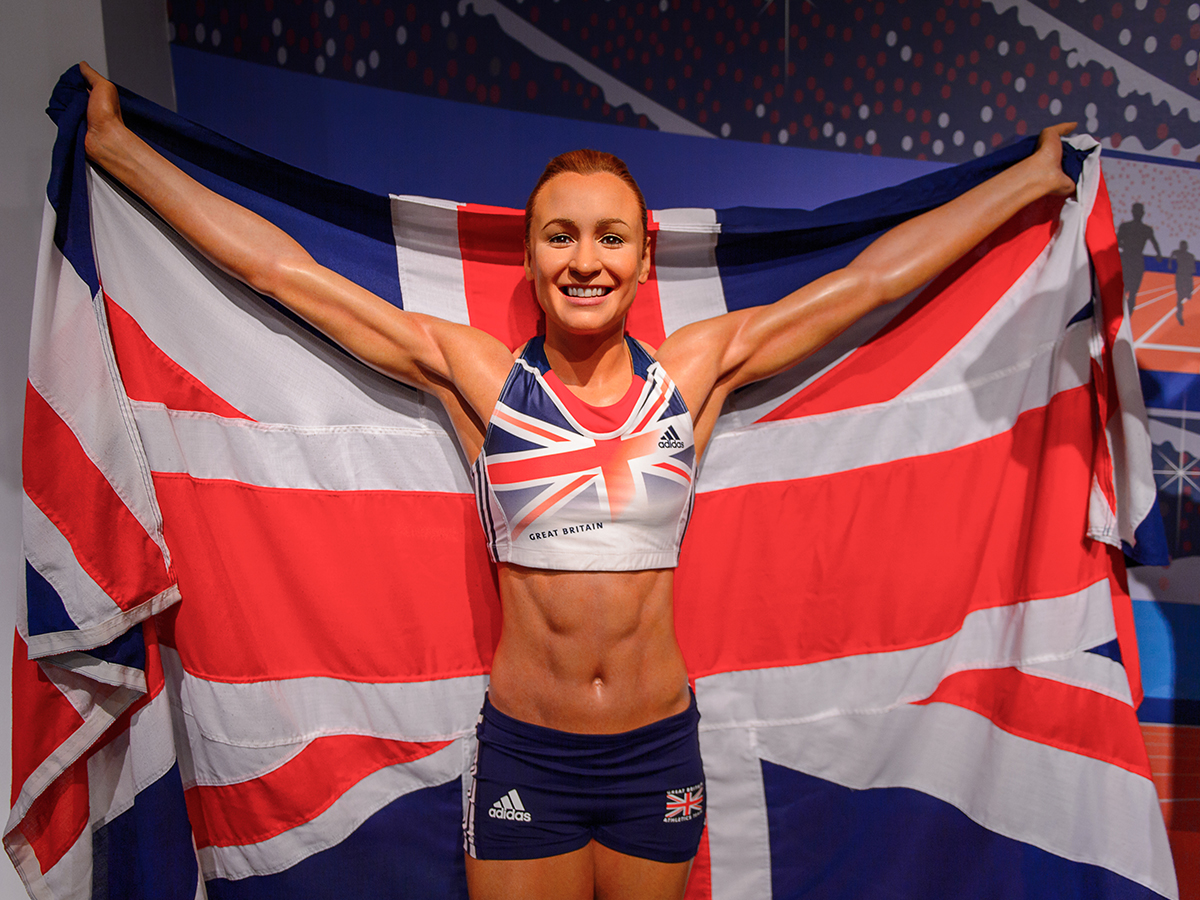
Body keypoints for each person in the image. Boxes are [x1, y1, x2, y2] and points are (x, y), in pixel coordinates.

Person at [77, 61, 1076, 900]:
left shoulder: (693, 372)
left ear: (643, 260)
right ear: (530, 256)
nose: (585, 260)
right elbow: (284, 276)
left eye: (609, 237)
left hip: (656, 754)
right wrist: (120, 152)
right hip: (530, 754)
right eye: (561, 236)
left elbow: (871, 283)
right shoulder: (482, 379)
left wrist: (1025, 186)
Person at [1117, 201, 1163, 312]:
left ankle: (1126, 315)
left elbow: (1155, 244)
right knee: (1126, 290)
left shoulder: (1141, 229)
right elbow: (1116, 241)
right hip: (1130, 260)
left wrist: (1158, 254)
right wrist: (1158, 255)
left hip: (1132, 260)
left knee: (1130, 291)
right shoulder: (1133, 228)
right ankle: (1123, 315)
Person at [1172, 240, 1195, 325]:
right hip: (1180, 276)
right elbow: (1172, 256)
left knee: (1188, 294)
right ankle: (1179, 313)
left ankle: (1187, 295)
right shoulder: (1177, 253)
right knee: (1179, 295)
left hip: (1187, 276)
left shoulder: (1190, 256)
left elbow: (1193, 268)